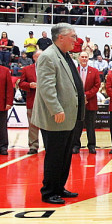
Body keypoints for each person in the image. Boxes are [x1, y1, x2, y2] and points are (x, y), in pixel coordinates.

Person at [31, 23, 85, 205]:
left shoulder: (64, 55)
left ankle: (59, 187)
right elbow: (47, 87)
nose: (75, 40)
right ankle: (49, 192)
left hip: (69, 116)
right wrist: (56, 109)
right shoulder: (48, 56)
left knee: (65, 155)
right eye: (72, 36)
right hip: (57, 116)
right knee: (55, 155)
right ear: (60, 37)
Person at [72, 52, 100, 154]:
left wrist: (86, 96)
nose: (84, 58)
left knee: (91, 126)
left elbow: (97, 86)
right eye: (82, 57)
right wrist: (80, 97)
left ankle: (91, 145)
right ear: (79, 58)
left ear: (88, 58)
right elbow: (71, 86)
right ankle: (76, 145)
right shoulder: (74, 71)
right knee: (77, 126)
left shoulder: (95, 71)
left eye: (86, 57)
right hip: (77, 103)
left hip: (91, 102)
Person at [18, 50, 41, 154]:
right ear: (34, 58)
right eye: (39, 56)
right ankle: (33, 146)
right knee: (32, 125)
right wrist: (29, 85)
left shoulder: (51, 68)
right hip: (32, 100)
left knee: (48, 125)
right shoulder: (27, 69)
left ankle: (49, 145)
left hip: (47, 102)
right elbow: (21, 83)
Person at [0, 63, 13, 155]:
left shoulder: (5, 70)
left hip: (2, 103)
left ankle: (3, 147)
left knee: (2, 127)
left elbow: (9, 87)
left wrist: (9, 102)